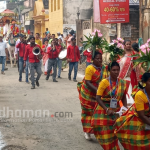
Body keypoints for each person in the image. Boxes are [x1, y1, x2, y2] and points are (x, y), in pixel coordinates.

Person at [91, 61, 129, 150]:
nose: (116, 72)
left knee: (114, 135)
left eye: (117, 70)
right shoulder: (104, 82)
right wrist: (106, 109)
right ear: (109, 71)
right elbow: (98, 97)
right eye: (114, 70)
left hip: (116, 111)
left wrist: (125, 108)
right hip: (104, 109)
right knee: (104, 134)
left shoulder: (122, 82)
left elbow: (123, 96)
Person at [77, 51, 108, 140]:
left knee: (98, 112)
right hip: (88, 94)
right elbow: (87, 82)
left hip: (98, 94)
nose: (99, 60)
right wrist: (98, 91)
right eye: (97, 58)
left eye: (100, 59)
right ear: (92, 59)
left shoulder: (104, 68)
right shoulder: (89, 68)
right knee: (88, 112)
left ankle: (97, 131)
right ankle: (87, 131)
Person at [114, 72, 150, 150]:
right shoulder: (140, 94)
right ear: (144, 83)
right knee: (137, 145)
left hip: (148, 120)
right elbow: (142, 115)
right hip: (138, 121)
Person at [118, 40, 137, 107]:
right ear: (124, 46)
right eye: (127, 44)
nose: (128, 45)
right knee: (123, 90)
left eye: (129, 44)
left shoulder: (133, 53)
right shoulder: (121, 53)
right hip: (122, 75)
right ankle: (123, 105)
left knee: (129, 90)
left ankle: (130, 105)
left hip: (130, 75)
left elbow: (136, 63)